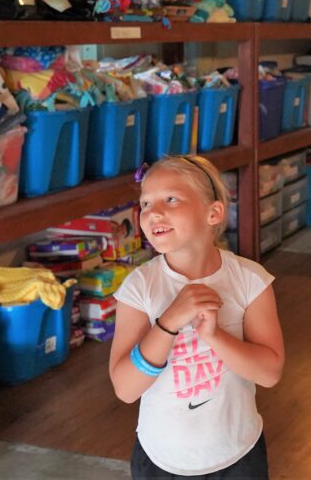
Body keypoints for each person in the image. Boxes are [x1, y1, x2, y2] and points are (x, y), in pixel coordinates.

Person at [109, 155, 284, 479]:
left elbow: (269, 372)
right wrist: (168, 324)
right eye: (146, 203)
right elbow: (125, 388)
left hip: (239, 455)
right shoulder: (139, 288)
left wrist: (215, 337)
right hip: (161, 460)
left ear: (213, 212)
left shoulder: (250, 280)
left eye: (171, 199)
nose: (153, 212)